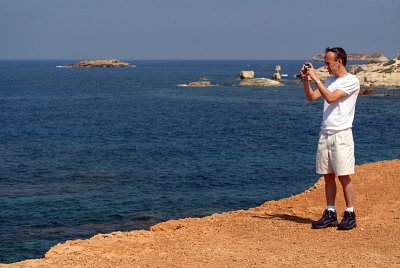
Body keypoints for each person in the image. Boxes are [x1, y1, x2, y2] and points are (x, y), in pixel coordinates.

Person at [301, 47, 360, 230]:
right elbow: (312, 97)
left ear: (339, 61)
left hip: (341, 134)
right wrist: (305, 80)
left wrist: (316, 78)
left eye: (327, 62)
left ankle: (350, 213)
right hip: (325, 132)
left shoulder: (351, 81)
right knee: (328, 176)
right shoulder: (329, 80)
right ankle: (330, 212)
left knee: (343, 175)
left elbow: (332, 98)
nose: (325, 66)